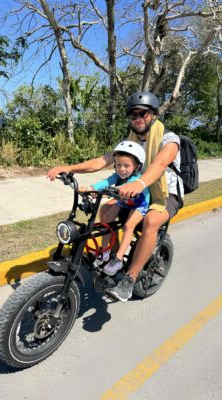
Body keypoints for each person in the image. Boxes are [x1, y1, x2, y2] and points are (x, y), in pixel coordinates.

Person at [47, 90, 184, 302]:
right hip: (134, 191)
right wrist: (68, 168)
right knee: (105, 209)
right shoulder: (130, 143)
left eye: (143, 114)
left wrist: (140, 182)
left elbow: (160, 164)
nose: (138, 119)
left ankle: (130, 278)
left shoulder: (169, 138)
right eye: (133, 115)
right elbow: (103, 161)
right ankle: (110, 257)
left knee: (150, 221)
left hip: (165, 193)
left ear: (154, 114)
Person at [79, 141, 150, 276]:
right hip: (123, 201)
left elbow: (124, 189)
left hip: (139, 203)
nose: (122, 169)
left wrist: (111, 192)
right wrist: (90, 188)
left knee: (128, 226)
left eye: (127, 166)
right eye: (118, 165)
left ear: (137, 166)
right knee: (106, 220)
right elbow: (105, 182)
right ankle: (105, 252)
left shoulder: (136, 179)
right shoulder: (117, 176)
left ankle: (118, 259)